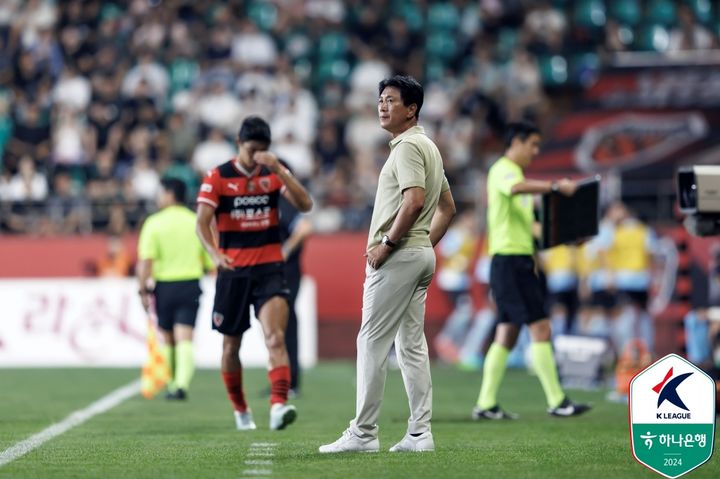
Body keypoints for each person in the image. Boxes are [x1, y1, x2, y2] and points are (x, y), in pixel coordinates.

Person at [320, 75, 456, 453]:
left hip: (399, 256)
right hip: (417, 255)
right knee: (411, 346)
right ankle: (419, 433)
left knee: (371, 342)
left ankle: (363, 434)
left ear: (411, 109)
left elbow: (413, 201)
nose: (382, 106)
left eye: (391, 100)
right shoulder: (428, 146)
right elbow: (447, 207)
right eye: (380, 99)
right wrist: (422, 248)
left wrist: (390, 243)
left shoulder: (408, 148)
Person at [195, 116, 312, 431]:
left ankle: (278, 406)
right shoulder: (218, 177)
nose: (256, 155)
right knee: (230, 346)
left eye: (263, 150)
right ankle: (240, 409)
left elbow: (305, 204)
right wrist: (215, 253)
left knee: (275, 338)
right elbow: (201, 222)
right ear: (238, 142)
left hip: (270, 269)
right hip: (233, 272)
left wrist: (279, 169)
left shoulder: (271, 175)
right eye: (252, 149)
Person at [472, 121, 591, 420]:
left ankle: (486, 404)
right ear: (518, 142)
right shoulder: (504, 170)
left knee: (507, 333)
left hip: (515, 261)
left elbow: (535, 229)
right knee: (540, 327)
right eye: (533, 145)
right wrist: (555, 186)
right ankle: (557, 400)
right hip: (510, 261)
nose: (536, 152)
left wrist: (568, 236)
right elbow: (515, 187)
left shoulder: (517, 178)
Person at [137, 178, 213, 400]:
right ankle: (181, 385)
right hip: (190, 283)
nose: (159, 197)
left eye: (161, 193)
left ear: (170, 195)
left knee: (168, 338)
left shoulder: (154, 222)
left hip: (164, 287)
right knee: (185, 337)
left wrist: (142, 290)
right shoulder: (196, 222)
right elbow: (209, 262)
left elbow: (146, 261)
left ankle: (172, 383)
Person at [277, 171, 313, 396]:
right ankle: (283, 381)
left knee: (286, 324)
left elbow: (304, 228)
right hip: (278, 273)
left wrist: (286, 250)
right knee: (277, 327)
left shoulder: (284, 203)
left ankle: (291, 382)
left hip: (286, 273)